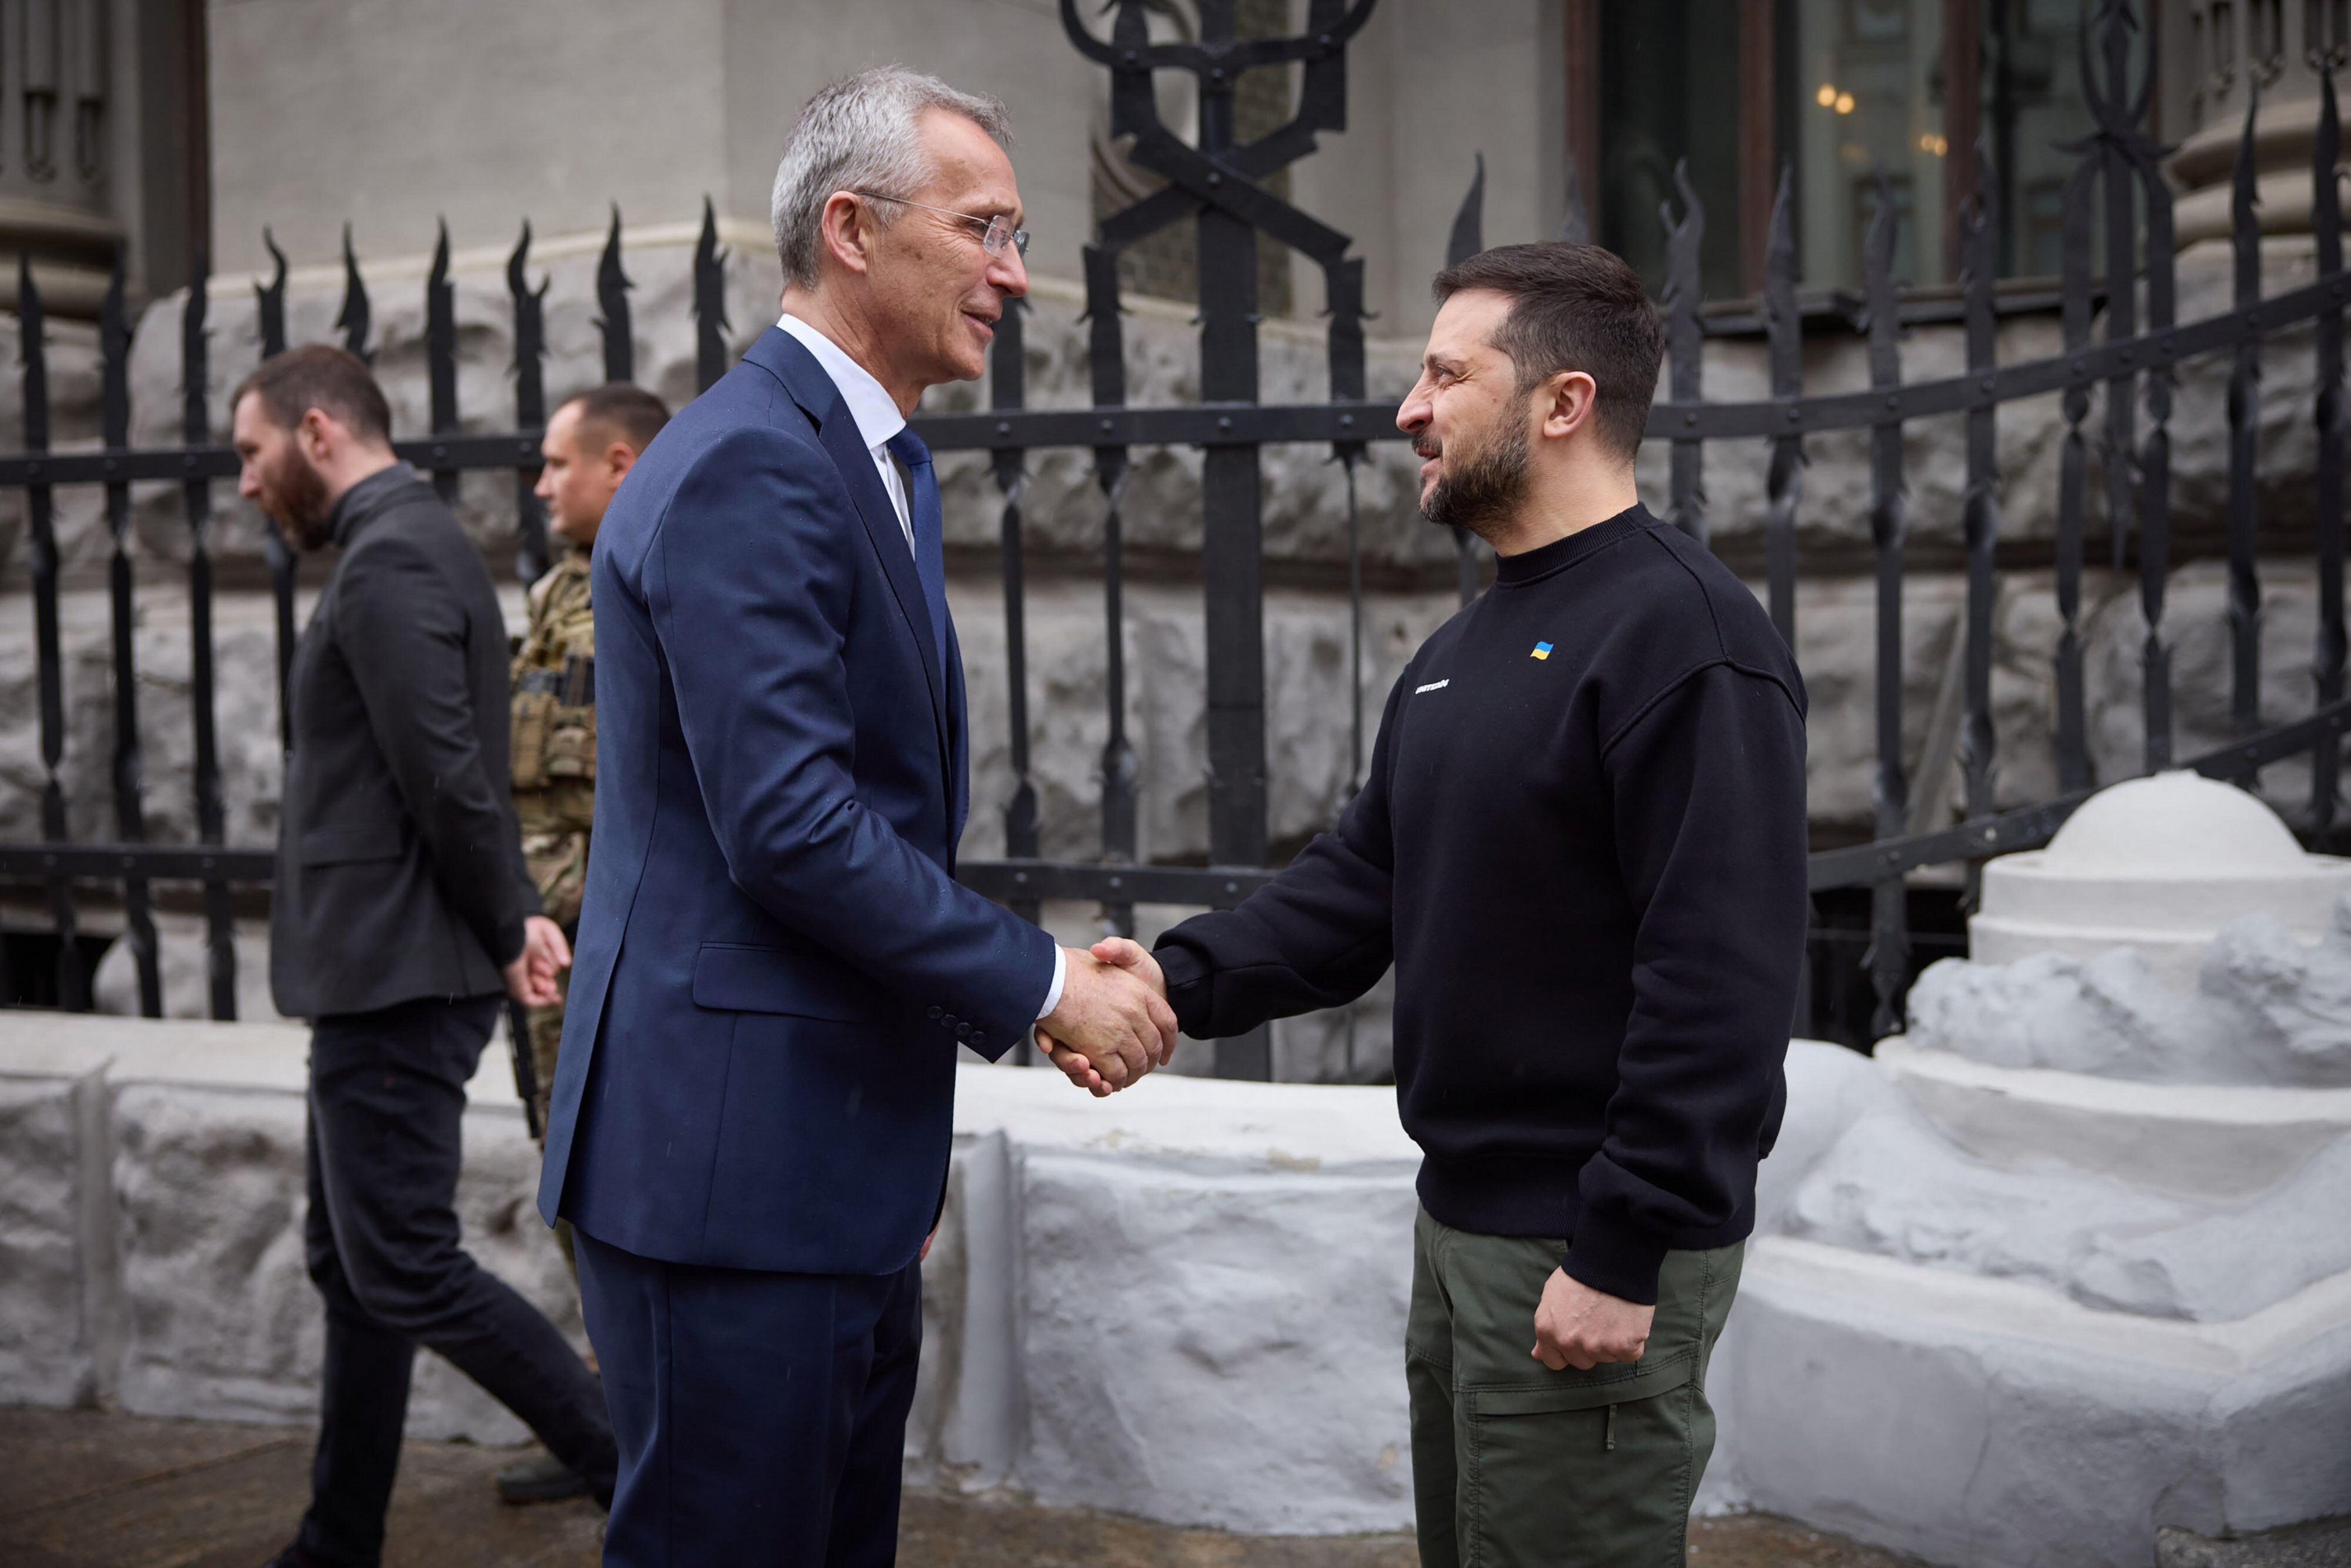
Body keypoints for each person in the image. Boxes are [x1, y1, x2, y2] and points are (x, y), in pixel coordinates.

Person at [1055, 243, 1810, 1566]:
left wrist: (1624, 1242)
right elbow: (1362, 888)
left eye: (1447, 374)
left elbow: (1720, 973)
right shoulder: (1461, 653)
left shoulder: (1687, 637)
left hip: (1586, 1241)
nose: (1410, 407)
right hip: (1464, 1226)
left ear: (1563, 402)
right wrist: (1171, 979)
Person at [534, 67, 1175, 1567]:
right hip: (729, 1186)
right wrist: (1044, 985)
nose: (1017, 269)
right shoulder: (756, 460)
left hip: (817, 1168)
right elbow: (795, 825)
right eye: (985, 225)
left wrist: (894, 1154)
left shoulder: (868, 455)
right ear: (853, 229)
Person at [232, 343, 618, 1568]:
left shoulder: (394, 554)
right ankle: (335, 1539)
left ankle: (638, 1468)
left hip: (400, 970)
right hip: (378, 967)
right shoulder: (401, 544)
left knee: (400, 1258)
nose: (247, 483)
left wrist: (508, 922)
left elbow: (448, 770)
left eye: (252, 452)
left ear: (318, 430)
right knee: (352, 1261)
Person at [494, 382, 669, 1509]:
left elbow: (644, 808)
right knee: (562, 1172)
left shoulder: (652, 583)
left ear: (618, 462)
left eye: (557, 464)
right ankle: (616, 1425)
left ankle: (649, 1436)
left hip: (606, 944)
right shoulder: (561, 590)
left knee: (611, 1184)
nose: (543, 484)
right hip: (545, 934)